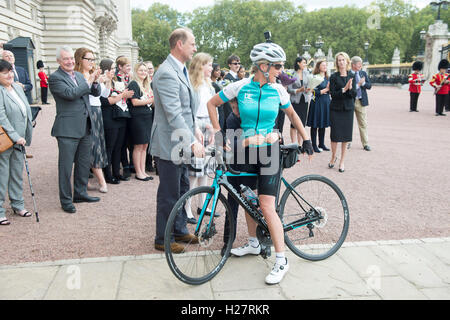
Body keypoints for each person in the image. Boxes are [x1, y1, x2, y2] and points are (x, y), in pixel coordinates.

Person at [207, 41, 314, 285]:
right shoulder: (241, 87)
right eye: (277, 66)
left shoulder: (278, 90)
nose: (281, 71)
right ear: (263, 66)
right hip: (246, 151)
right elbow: (212, 104)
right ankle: (254, 243)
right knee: (246, 198)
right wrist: (218, 134)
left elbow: (293, 115)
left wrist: (306, 139)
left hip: (270, 150)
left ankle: (281, 260)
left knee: (266, 205)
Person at [150, 27, 204, 253]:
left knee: (182, 188)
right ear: (179, 44)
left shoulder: (180, 70)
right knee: (169, 192)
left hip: (181, 141)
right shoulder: (166, 73)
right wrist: (192, 141)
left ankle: (180, 229)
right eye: (192, 43)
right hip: (169, 143)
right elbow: (173, 114)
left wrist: (196, 130)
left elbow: (186, 110)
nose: (195, 47)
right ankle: (163, 238)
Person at [49, 46, 101, 214]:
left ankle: (80, 193)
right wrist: (88, 81)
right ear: (58, 61)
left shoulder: (79, 75)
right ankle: (65, 200)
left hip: (85, 125)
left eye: (71, 58)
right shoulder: (55, 78)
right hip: (67, 129)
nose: (70, 61)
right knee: (65, 168)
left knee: (83, 164)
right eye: (66, 59)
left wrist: (95, 81)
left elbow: (94, 92)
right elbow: (71, 94)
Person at [184, 52, 216, 224]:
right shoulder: (191, 84)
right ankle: (187, 207)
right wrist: (196, 128)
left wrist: (213, 127)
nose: (211, 68)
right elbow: (189, 110)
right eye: (208, 64)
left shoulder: (209, 85)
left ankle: (203, 206)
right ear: (200, 66)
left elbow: (212, 108)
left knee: (206, 170)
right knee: (194, 173)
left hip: (208, 125)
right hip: (195, 126)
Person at [0, 59, 33, 225]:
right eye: (4, 72)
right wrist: (15, 136)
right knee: (2, 176)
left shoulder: (17, 88)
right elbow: (1, 117)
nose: (9, 75)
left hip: (20, 140)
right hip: (5, 141)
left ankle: (18, 204)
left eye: (10, 71)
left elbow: (25, 109)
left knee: (16, 174)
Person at [74, 48, 109, 193]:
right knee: (93, 146)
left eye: (93, 59)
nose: (91, 62)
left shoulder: (92, 74)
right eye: (88, 59)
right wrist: (93, 79)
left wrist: (107, 81)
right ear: (80, 60)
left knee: (98, 144)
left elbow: (102, 94)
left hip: (97, 110)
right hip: (87, 112)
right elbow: (81, 93)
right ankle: (101, 181)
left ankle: (87, 180)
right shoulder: (77, 75)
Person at [99, 59, 134, 185]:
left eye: (114, 68)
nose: (114, 71)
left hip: (119, 115)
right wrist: (123, 95)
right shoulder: (101, 82)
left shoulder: (115, 81)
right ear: (105, 69)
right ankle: (108, 174)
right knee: (110, 147)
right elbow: (106, 100)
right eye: (112, 68)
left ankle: (116, 172)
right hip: (109, 116)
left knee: (119, 146)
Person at [328, 52, 357, 173]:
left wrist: (349, 90)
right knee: (335, 136)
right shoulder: (333, 77)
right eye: (339, 60)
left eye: (343, 60)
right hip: (336, 109)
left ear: (347, 61)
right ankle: (333, 157)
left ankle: (342, 161)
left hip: (348, 109)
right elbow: (332, 94)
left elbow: (354, 94)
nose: (341, 62)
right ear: (337, 62)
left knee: (345, 136)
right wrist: (343, 90)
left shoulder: (352, 76)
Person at [127, 62, 154, 181]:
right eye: (141, 70)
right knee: (138, 145)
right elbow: (135, 102)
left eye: (145, 70)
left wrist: (153, 100)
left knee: (145, 145)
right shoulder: (134, 84)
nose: (144, 72)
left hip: (147, 117)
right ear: (136, 72)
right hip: (137, 118)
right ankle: (138, 172)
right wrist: (150, 100)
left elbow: (152, 102)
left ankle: (143, 171)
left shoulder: (147, 85)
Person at [307, 59, 330, 153]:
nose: (325, 66)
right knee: (315, 124)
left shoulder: (328, 77)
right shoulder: (314, 77)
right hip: (317, 101)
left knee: (323, 124)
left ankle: (322, 143)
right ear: (318, 67)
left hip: (326, 101)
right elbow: (311, 91)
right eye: (322, 65)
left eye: (326, 65)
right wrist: (324, 90)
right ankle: (314, 145)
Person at [116, 56, 134, 179]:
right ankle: (125, 165)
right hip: (120, 111)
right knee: (121, 141)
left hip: (131, 111)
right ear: (120, 67)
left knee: (131, 140)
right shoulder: (116, 78)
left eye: (129, 66)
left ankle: (132, 163)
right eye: (127, 66)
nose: (129, 68)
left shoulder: (130, 78)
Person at [287, 56, 311, 145]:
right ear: (298, 63)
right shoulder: (291, 74)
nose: (305, 64)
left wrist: (308, 89)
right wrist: (298, 90)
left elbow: (309, 86)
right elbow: (289, 89)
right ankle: (294, 144)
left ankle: (300, 144)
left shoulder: (307, 73)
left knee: (302, 123)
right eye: (304, 62)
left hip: (304, 101)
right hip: (295, 102)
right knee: (293, 124)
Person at [349, 56, 372, 151]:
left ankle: (365, 143)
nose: (361, 66)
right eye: (359, 64)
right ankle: (347, 142)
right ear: (353, 65)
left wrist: (363, 84)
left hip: (361, 101)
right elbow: (348, 88)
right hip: (350, 100)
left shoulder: (363, 73)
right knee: (349, 123)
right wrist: (358, 85)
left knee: (363, 123)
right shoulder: (348, 74)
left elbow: (369, 86)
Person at [211, 63, 225, 129]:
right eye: (217, 70)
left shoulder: (219, 83)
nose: (219, 72)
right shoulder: (212, 85)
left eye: (219, 70)